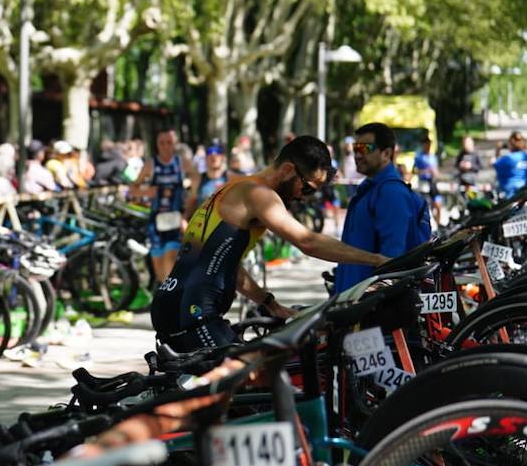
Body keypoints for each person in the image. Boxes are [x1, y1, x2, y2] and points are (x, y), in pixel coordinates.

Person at [152, 136, 389, 352]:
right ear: (287, 170)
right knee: (252, 382)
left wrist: (269, 303)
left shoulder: (233, 187)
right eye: (306, 187)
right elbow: (307, 242)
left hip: (171, 303)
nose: (303, 197)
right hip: (194, 312)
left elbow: (225, 265)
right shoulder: (259, 194)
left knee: (227, 389)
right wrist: (377, 260)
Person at [331, 124, 432, 294]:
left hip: (371, 307)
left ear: (386, 153)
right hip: (354, 300)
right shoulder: (370, 188)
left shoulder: (391, 193)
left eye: (365, 148)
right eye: (356, 148)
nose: (357, 154)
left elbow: (392, 261)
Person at [135, 129, 192, 284]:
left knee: (171, 260)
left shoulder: (182, 164)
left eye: (169, 143)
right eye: (162, 143)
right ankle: (165, 297)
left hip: (175, 219)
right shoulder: (150, 164)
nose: (166, 146)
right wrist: (148, 192)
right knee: (160, 270)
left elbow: (198, 182)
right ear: (157, 145)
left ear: (175, 144)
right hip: (156, 221)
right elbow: (133, 189)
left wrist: (188, 202)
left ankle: (172, 299)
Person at [495, 131, 527, 197]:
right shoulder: (525, 156)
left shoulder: (507, 159)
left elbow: (495, 165)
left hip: (509, 194)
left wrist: (497, 150)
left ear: (510, 144)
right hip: (524, 192)